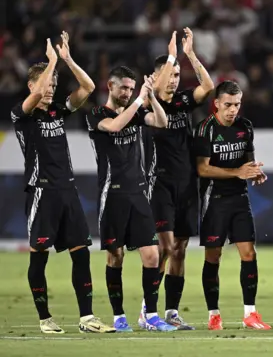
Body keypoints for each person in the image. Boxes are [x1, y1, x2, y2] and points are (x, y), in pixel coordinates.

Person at [11, 33, 114, 334]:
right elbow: (35, 96)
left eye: (54, 85)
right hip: (42, 192)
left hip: (67, 190)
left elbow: (89, 88)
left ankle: (87, 318)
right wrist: (51, 60)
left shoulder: (58, 111)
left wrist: (66, 59)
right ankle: (45, 318)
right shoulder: (22, 116)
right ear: (31, 87)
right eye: (45, 85)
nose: (50, 90)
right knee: (39, 258)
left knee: (81, 253)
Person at [86, 66, 175, 332]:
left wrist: (153, 98)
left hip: (138, 193)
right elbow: (114, 127)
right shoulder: (97, 115)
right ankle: (118, 316)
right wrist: (139, 100)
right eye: (123, 87)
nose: (127, 92)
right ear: (109, 87)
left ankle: (151, 316)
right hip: (112, 194)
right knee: (116, 256)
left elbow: (161, 122)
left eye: (131, 88)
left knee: (152, 255)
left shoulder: (135, 114)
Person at [139, 28, 214, 330]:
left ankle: (171, 311)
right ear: (156, 78)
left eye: (176, 75)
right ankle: (148, 310)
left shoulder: (184, 101)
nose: (173, 80)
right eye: (168, 75)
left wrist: (190, 55)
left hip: (187, 183)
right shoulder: (149, 106)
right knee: (165, 247)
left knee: (180, 250)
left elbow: (207, 85)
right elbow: (160, 117)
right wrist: (171, 55)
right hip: (161, 183)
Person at [193, 81, 271, 330]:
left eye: (237, 104)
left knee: (249, 254)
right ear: (216, 103)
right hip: (214, 200)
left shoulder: (244, 126)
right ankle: (213, 314)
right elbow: (202, 168)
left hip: (239, 199)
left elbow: (248, 162)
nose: (232, 110)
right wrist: (237, 171)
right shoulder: (205, 129)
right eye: (228, 104)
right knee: (213, 257)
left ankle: (250, 313)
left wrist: (254, 172)